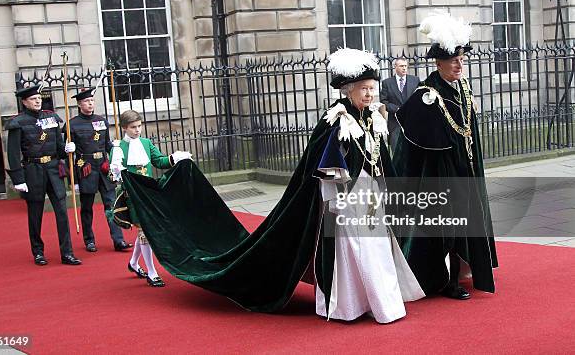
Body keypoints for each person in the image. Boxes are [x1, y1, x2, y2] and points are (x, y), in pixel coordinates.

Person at [115, 49, 424, 322]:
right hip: (347, 197)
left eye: (372, 89)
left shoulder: (372, 118)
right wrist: (337, 190)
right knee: (354, 249)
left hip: (370, 196)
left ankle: (380, 301)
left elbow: (380, 157)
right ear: (348, 90)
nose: (370, 95)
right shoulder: (336, 119)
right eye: (364, 89)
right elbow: (322, 162)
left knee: (377, 245)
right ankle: (351, 304)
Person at [393, 12, 498, 300]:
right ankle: (447, 281)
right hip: (442, 175)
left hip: (466, 169)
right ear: (438, 63)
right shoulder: (426, 94)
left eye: (462, 59)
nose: (459, 64)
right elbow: (413, 142)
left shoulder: (462, 88)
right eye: (453, 60)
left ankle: (465, 270)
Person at [109, 110, 192, 287]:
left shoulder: (146, 143)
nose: (137, 130)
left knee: (144, 230)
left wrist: (174, 158)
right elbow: (113, 176)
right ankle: (152, 272)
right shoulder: (118, 148)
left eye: (139, 126)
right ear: (124, 128)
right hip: (132, 195)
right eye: (133, 127)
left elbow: (159, 161)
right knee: (144, 231)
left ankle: (133, 263)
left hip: (148, 192)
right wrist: (115, 170)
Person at [5, 84, 81, 266]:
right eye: (33, 99)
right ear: (24, 102)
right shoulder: (18, 122)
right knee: (35, 214)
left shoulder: (51, 117)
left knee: (62, 212)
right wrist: (18, 178)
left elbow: (59, 147)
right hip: (33, 170)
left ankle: (67, 252)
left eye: (39, 98)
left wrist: (67, 149)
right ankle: (38, 252)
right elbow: (13, 153)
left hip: (54, 168)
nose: (38, 100)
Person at [66, 88, 132, 253]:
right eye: (87, 101)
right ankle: (89, 240)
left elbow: (107, 144)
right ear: (80, 104)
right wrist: (72, 178)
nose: (90, 104)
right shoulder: (72, 124)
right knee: (87, 206)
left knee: (110, 204)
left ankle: (118, 240)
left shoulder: (101, 121)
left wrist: (116, 148)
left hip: (102, 166)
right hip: (86, 166)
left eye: (92, 101)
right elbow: (66, 154)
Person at [379, 58, 420, 151]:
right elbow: (384, 101)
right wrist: (397, 109)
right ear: (395, 67)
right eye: (401, 66)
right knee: (396, 151)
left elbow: (419, 97)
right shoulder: (387, 83)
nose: (404, 68)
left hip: (413, 121)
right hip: (395, 122)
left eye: (405, 66)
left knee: (414, 150)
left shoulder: (415, 80)